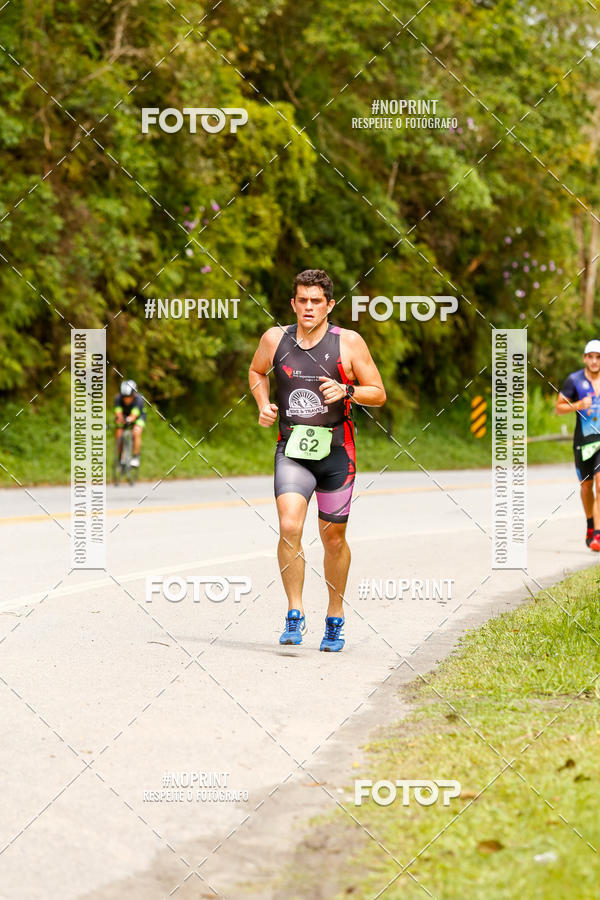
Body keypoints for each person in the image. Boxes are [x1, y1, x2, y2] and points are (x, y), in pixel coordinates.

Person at [249, 269, 386, 652]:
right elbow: (257, 371)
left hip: (337, 453)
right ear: (293, 303)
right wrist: (263, 404)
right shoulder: (275, 339)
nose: (308, 307)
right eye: (302, 300)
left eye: (316, 301)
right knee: (289, 525)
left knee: (333, 538)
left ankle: (335, 616)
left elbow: (378, 393)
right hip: (292, 450)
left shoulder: (349, 343)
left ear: (329, 305)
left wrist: (347, 390)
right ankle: (294, 611)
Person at [556, 340, 600, 550]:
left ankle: (598, 535)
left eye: (598, 357)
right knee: (586, 487)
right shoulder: (574, 380)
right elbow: (559, 408)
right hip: (583, 442)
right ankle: (590, 524)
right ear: (584, 358)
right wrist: (579, 405)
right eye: (590, 357)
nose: (594, 361)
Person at [114, 380, 145, 467]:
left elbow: (134, 415)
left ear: (134, 394)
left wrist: (129, 419)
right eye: (124, 397)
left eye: (129, 397)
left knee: (136, 432)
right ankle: (120, 457)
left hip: (138, 417)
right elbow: (118, 412)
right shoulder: (118, 398)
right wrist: (119, 419)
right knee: (118, 433)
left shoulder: (139, 399)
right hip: (124, 416)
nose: (126, 399)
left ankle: (135, 457)